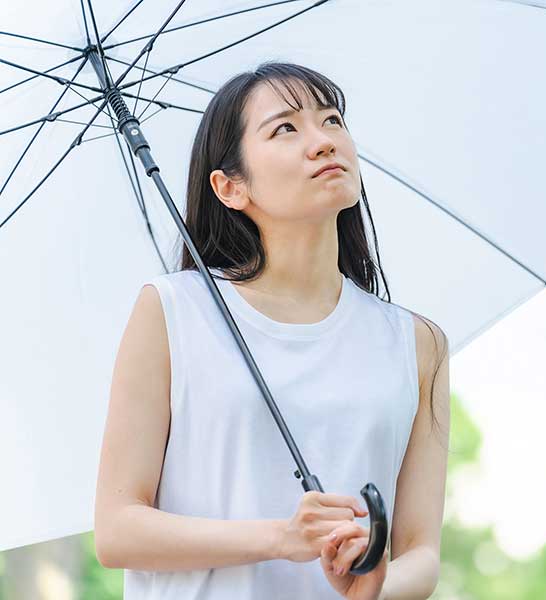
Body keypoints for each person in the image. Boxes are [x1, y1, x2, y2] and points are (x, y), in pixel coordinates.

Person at [93, 62, 450, 600]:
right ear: (231, 187)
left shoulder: (417, 343)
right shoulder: (172, 311)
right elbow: (118, 529)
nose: (323, 141)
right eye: (286, 128)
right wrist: (281, 537)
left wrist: (373, 589)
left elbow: (422, 552)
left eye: (332, 121)